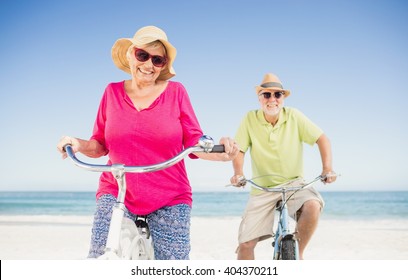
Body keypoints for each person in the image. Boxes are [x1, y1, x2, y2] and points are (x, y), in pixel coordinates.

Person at [57, 26, 239, 260]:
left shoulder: (176, 92)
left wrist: (220, 151)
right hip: (118, 189)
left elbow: (195, 141)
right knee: (99, 257)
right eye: (142, 55)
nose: (148, 64)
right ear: (131, 55)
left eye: (157, 60)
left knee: (174, 267)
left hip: (169, 195)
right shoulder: (111, 92)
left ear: (163, 65)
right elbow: (100, 145)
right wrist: (77, 143)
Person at [230, 73, 337, 260]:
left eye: (277, 95)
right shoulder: (249, 119)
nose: (272, 99)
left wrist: (327, 168)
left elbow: (322, 139)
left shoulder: (294, 116)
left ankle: (298, 254)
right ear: (259, 98)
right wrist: (238, 173)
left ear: (283, 98)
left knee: (313, 205)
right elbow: (239, 150)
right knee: (245, 245)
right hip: (263, 189)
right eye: (266, 95)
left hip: (294, 184)